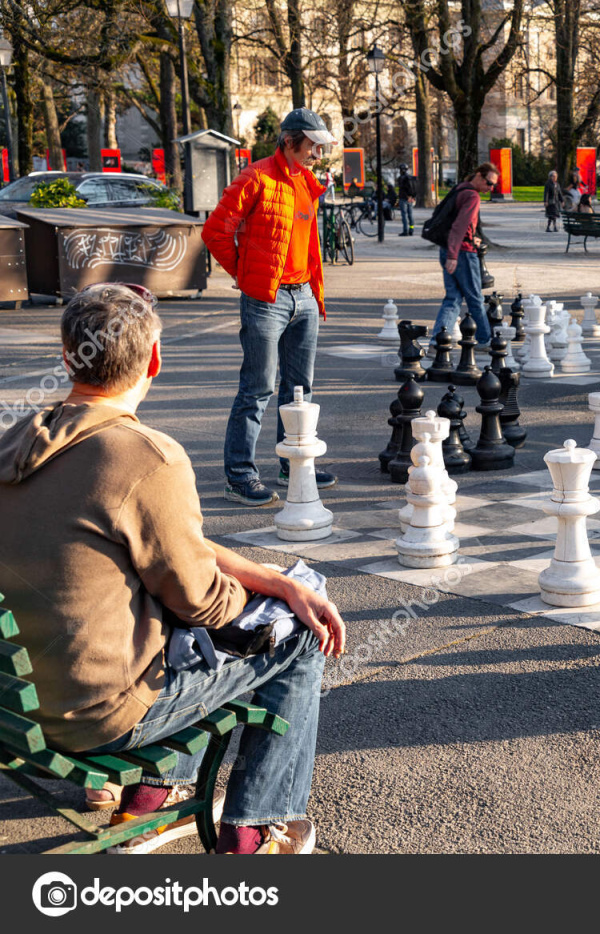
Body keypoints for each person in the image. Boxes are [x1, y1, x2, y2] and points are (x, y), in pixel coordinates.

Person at [0, 283, 345, 854]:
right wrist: (276, 605)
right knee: (299, 639)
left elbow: (170, 549)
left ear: (68, 358)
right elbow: (202, 602)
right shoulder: (146, 456)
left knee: (182, 605)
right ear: (155, 359)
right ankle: (256, 826)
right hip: (94, 716)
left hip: (17, 703)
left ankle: (156, 797)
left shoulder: (21, 439)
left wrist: (274, 580)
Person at [204, 107, 337, 507]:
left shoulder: (307, 180)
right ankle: (240, 475)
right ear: (290, 140)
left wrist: (312, 290)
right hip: (267, 299)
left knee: (299, 390)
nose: (317, 154)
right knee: (257, 388)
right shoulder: (256, 176)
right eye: (313, 145)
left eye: (319, 147)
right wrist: (245, 274)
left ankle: (291, 462)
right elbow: (215, 231)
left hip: (305, 297)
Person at [431, 162, 498, 345]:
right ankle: (485, 340)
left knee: (452, 298)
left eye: (493, 185)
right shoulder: (472, 196)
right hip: (462, 254)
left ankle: (438, 342)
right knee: (475, 297)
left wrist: (472, 237)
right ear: (478, 175)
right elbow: (459, 226)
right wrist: (454, 255)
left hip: (447, 249)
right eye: (489, 183)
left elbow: (460, 224)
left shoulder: (459, 189)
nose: (490, 188)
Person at [396, 164, 416, 237]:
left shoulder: (402, 178)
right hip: (410, 198)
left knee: (404, 215)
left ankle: (405, 230)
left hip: (404, 198)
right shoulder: (410, 178)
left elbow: (402, 189)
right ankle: (411, 230)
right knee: (410, 215)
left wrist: (406, 196)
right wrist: (412, 196)